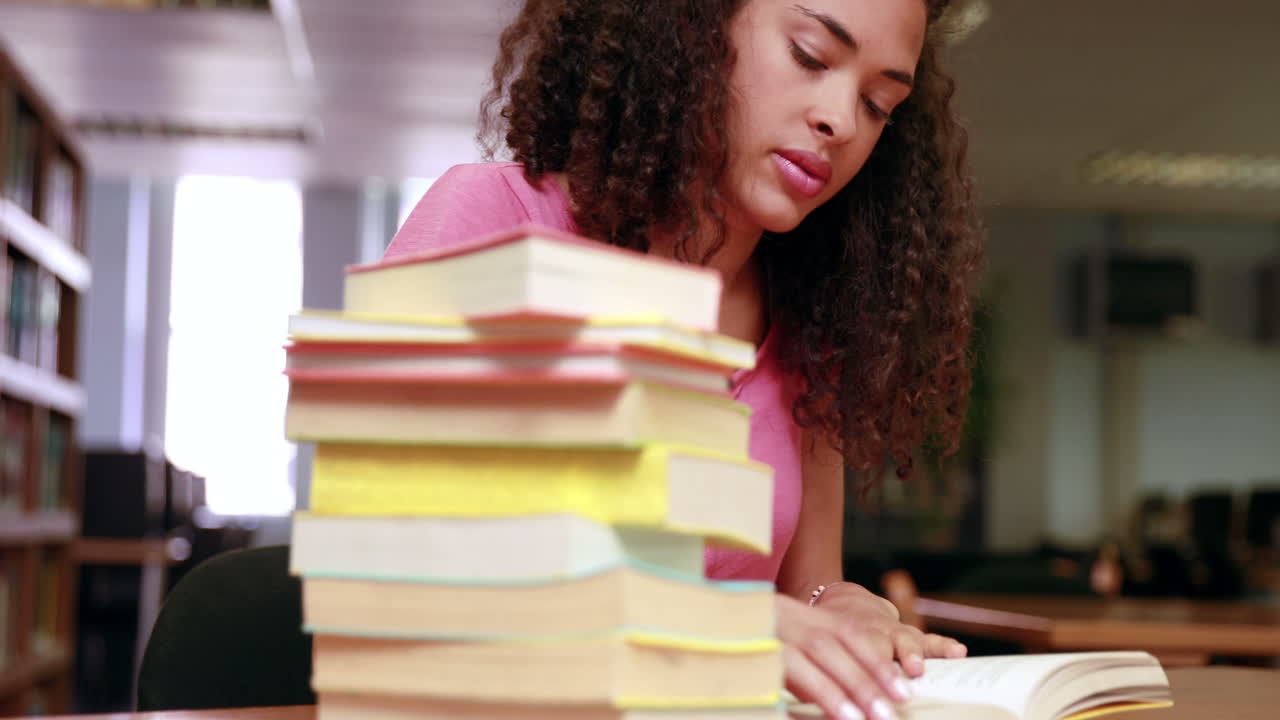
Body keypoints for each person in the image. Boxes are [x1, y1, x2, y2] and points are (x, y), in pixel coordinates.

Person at [386, 1, 982, 718]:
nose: (842, 121)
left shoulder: (811, 324)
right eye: (810, 57)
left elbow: (805, 589)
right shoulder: (488, 228)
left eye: (878, 103)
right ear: (693, 27)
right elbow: (403, 562)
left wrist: (845, 611)